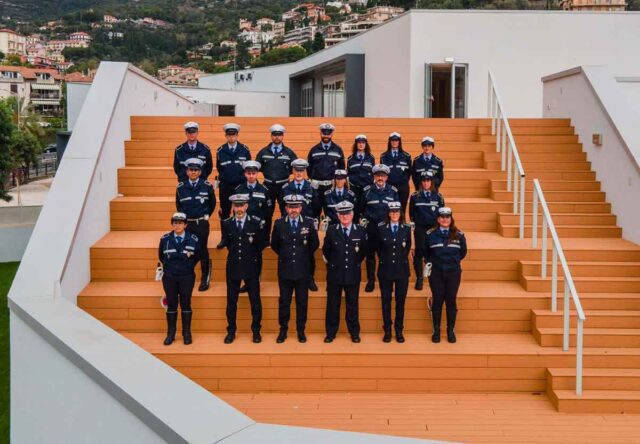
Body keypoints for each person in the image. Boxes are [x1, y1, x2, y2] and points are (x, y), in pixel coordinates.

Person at [271, 194, 320, 343]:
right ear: (286, 208)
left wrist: (301, 256)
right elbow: (275, 245)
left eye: (296, 207)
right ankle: (283, 330)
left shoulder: (308, 223)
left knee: (302, 302)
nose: (293, 210)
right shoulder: (279, 224)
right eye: (291, 207)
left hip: (302, 270)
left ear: (301, 207)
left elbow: (314, 245)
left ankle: (300, 330)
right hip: (285, 270)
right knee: (284, 302)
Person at [220, 194, 268, 344]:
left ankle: (256, 331)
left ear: (247, 206)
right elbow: (228, 243)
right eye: (236, 205)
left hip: (251, 266)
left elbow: (260, 245)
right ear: (233, 207)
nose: (239, 208)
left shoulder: (255, 223)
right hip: (233, 266)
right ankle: (231, 331)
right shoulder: (227, 223)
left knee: (255, 301)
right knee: (231, 302)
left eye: (241, 205)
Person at [322, 200, 367, 343]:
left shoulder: (360, 230)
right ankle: (330, 333)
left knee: (352, 305)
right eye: (342, 214)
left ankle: (354, 332)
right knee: (332, 305)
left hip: (353, 273)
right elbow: (326, 252)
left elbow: (362, 253)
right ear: (337, 215)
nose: (345, 216)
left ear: (352, 214)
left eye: (347, 213)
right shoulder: (331, 230)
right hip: (335, 273)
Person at [424, 207, 467, 343]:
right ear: (438, 219)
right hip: (436, 273)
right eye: (442, 217)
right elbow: (426, 253)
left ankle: (450, 331)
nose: (444, 219)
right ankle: (436, 330)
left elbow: (462, 253)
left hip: (453, 273)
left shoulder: (459, 235)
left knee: (451, 300)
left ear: (451, 219)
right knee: (437, 300)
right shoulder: (430, 235)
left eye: (447, 217)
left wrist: (451, 263)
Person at [158, 212, 199, 346]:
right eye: (175, 223)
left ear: (185, 225)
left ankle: (186, 333)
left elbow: (197, 256)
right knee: (172, 304)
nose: (177, 225)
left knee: (186, 304)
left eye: (180, 223)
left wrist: (187, 266)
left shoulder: (193, 239)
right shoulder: (165, 239)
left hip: (186, 276)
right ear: (172, 224)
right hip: (170, 277)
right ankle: (171, 334)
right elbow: (161, 257)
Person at [175, 158, 216, 291]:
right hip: (188, 224)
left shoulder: (207, 186)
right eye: (191, 170)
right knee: (188, 248)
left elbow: (212, 204)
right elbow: (179, 206)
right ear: (187, 171)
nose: (193, 172)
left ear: (199, 172)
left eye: (196, 170)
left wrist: (205, 216)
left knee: (202, 249)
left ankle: (205, 277)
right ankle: (187, 273)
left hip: (201, 223)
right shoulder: (181, 188)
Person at [281, 158, 320, 291]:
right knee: (292, 251)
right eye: (296, 170)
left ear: (305, 171)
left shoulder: (312, 187)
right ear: (292, 171)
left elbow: (316, 206)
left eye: (301, 170)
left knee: (309, 252)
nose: (299, 173)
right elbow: (283, 207)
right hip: (291, 223)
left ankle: (310, 278)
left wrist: (313, 220)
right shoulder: (287, 188)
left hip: (307, 224)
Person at [359, 164, 399, 293]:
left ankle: (387, 280)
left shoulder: (393, 191)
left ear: (387, 177)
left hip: (387, 227)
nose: (380, 178)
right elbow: (361, 209)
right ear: (374, 176)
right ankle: (371, 280)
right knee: (370, 255)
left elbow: (397, 210)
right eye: (377, 175)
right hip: (371, 227)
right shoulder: (367, 190)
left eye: (382, 175)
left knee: (386, 255)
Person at [376, 202, 411, 343]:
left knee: (400, 301)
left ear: (401, 213)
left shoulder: (407, 229)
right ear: (388, 213)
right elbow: (378, 248)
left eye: (397, 211)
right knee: (386, 301)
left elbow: (407, 247)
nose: (395, 214)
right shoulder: (381, 228)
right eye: (392, 211)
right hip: (385, 269)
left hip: (402, 271)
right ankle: (388, 330)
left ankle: (399, 330)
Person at [409, 170, 445, 290]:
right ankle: (420, 278)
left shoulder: (438, 197)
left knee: (434, 252)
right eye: (423, 181)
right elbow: (412, 214)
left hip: (434, 228)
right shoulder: (414, 196)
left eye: (428, 181)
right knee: (419, 252)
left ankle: (433, 276)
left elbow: (442, 215)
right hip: (420, 228)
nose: (425, 183)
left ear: (432, 182)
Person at [255, 124, 298, 219]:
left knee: (286, 213)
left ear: (283, 136)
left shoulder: (289, 153)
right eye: (275, 135)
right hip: (268, 186)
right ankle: (265, 234)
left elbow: (295, 168)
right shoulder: (263, 152)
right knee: (266, 213)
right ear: (271, 136)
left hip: (284, 187)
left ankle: (285, 234)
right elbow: (257, 167)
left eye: (279, 135)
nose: (277, 137)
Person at [215, 123, 251, 230]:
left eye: (233, 134)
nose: (231, 137)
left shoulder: (244, 149)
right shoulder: (220, 151)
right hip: (225, 186)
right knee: (225, 212)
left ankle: (239, 234)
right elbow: (219, 167)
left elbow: (248, 168)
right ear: (225, 136)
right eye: (229, 135)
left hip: (240, 186)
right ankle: (224, 237)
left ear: (237, 135)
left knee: (240, 211)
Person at [307, 123, 345, 211]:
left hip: (331, 186)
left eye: (328, 134)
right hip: (316, 188)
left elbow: (342, 168)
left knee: (332, 214)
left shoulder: (338, 150)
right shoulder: (314, 150)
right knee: (315, 213)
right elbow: (309, 168)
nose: (326, 136)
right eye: (324, 133)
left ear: (332, 134)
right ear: (320, 133)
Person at [380, 132, 412, 212]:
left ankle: (402, 224)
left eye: (396, 140)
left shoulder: (406, 156)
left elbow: (409, 172)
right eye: (392, 140)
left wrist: (403, 180)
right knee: (388, 209)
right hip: (389, 186)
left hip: (402, 187)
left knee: (402, 209)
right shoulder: (383, 156)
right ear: (390, 142)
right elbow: (383, 172)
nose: (394, 142)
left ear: (399, 142)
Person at [346, 134, 375, 204]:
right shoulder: (350, 159)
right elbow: (348, 174)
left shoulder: (371, 158)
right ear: (356, 144)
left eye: (363, 143)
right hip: (355, 189)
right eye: (359, 143)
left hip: (367, 189)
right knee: (355, 209)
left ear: (366, 144)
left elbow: (373, 173)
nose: (361, 144)